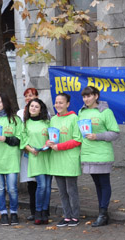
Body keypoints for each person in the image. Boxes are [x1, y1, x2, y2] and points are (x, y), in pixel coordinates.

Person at [78, 85, 120, 227]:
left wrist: (97, 136)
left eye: (89, 96)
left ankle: (103, 213)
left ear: (96, 96)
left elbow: (115, 133)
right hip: (87, 153)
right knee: (97, 184)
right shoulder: (81, 112)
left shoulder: (105, 112)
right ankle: (102, 212)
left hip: (102, 153)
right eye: (84, 96)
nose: (86, 99)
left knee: (104, 183)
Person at [46, 92, 82, 227]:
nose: (58, 105)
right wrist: (49, 143)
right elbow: (52, 137)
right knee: (62, 191)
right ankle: (66, 216)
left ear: (67, 104)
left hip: (69, 159)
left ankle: (75, 216)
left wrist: (59, 146)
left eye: (61, 103)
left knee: (71, 190)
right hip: (56, 159)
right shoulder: (53, 119)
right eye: (56, 103)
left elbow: (77, 140)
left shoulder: (74, 118)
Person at [0, 93, 23, 226]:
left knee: (12, 188)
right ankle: (2, 212)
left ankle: (13, 212)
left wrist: (6, 139)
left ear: (5, 103)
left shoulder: (15, 120)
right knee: (0, 188)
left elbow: (20, 138)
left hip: (11, 158)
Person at [22, 98, 52, 225]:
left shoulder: (47, 123)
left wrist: (49, 144)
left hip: (48, 156)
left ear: (41, 110)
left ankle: (45, 212)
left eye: (36, 107)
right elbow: (23, 141)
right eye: (31, 106)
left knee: (48, 187)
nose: (33, 108)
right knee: (42, 185)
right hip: (35, 157)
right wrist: (30, 149)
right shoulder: (25, 123)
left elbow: (53, 136)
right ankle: (38, 211)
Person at [17, 87, 40, 221]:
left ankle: (42, 210)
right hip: (26, 152)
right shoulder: (20, 113)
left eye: (31, 95)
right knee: (31, 183)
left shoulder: (43, 112)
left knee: (41, 183)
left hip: (39, 152)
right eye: (26, 96)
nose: (28, 98)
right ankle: (33, 210)